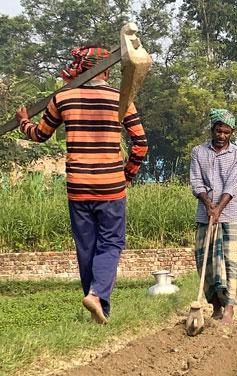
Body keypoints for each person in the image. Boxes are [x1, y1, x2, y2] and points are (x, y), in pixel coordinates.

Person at [16, 45, 148, 324]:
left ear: (80, 67)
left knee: (86, 246)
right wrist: (127, 176)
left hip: (78, 187)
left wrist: (23, 122)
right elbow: (141, 144)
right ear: (107, 69)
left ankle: (98, 307)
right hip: (110, 186)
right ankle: (98, 294)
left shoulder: (63, 97)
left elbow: (40, 135)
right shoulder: (121, 99)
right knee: (111, 242)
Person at [189, 109, 237, 323]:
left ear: (232, 132)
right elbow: (196, 182)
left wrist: (218, 208)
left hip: (229, 215)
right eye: (218, 131)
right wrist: (208, 204)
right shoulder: (198, 152)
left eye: (226, 132)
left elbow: (233, 185)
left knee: (229, 261)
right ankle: (215, 305)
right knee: (205, 263)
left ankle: (229, 307)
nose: (221, 136)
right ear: (212, 129)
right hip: (205, 215)